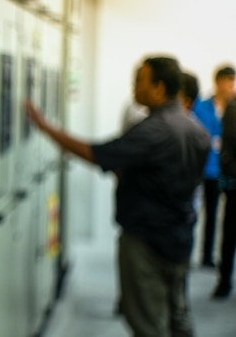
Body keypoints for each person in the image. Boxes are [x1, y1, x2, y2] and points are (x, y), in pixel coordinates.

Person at [25, 56, 210, 336]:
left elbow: (97, 153)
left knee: (147, 322)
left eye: (139, 79)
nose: (133, 85)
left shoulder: (154, 130)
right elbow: (166, 174)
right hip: (180, 236)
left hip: (146, 242)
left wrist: (45, 127)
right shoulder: (196, 130)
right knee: (177, 315)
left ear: (159, 87)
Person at [193, 66, 236, 267]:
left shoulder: (233, 108)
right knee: (207, 213)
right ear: (217, 81)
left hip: (227, 170)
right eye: (228, 81)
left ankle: (222, 258)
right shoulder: (201, 107)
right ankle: (206, 255)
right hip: (206, 168)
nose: (231, 86)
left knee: (227, 219)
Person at [214, 92, 236, 298]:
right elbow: (228, 143)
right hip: (234, 183)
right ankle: (224, 282)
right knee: (229, 234)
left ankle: (224, 282)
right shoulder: (232, 108)